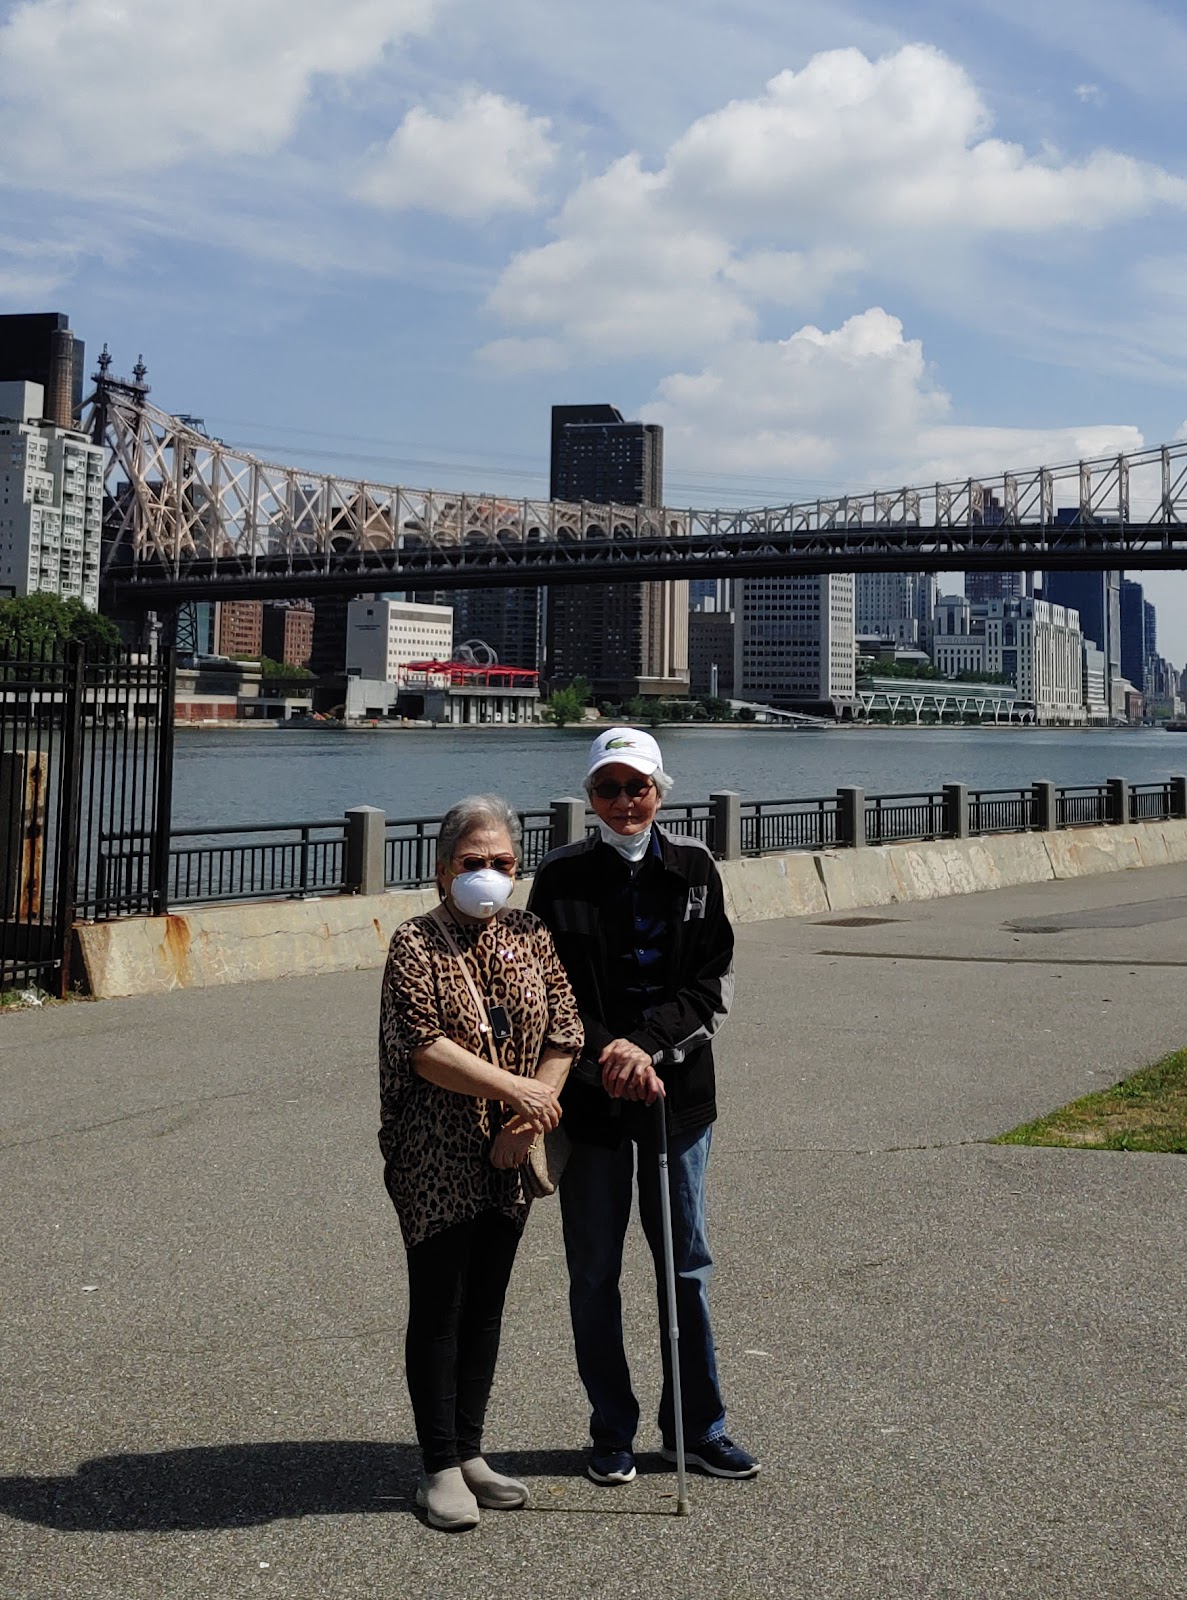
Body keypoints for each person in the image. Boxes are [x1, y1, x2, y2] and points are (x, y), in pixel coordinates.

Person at [529, 728, 759, 1485]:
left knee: (684, 1269)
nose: (624, 803)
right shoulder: (559, 876)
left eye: (638, 788)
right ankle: (611, 1429)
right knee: (594, 1273)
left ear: (661, 791)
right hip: (592, 1106)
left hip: (677, 1100)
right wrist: (609, 1054)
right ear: (589, 798)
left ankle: (697, 1428)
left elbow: (710, 982)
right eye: (608, 789)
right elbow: (545, 990)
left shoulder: (694, 867)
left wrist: (646, 1046)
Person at [378, 793, 583, 1530]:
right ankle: (436, 1465)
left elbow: (565, 1030)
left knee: (487, 1304)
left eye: (501, 863)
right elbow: (425, 1048)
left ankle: (469, 1450)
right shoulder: (414, 942)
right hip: (433, 1152)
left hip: (510, 1151)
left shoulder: (529, 934)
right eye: (473, 863)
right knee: (439, 1303)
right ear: (441, 871)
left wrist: (527, 1119)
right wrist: (518, 1091)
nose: (488, 875)